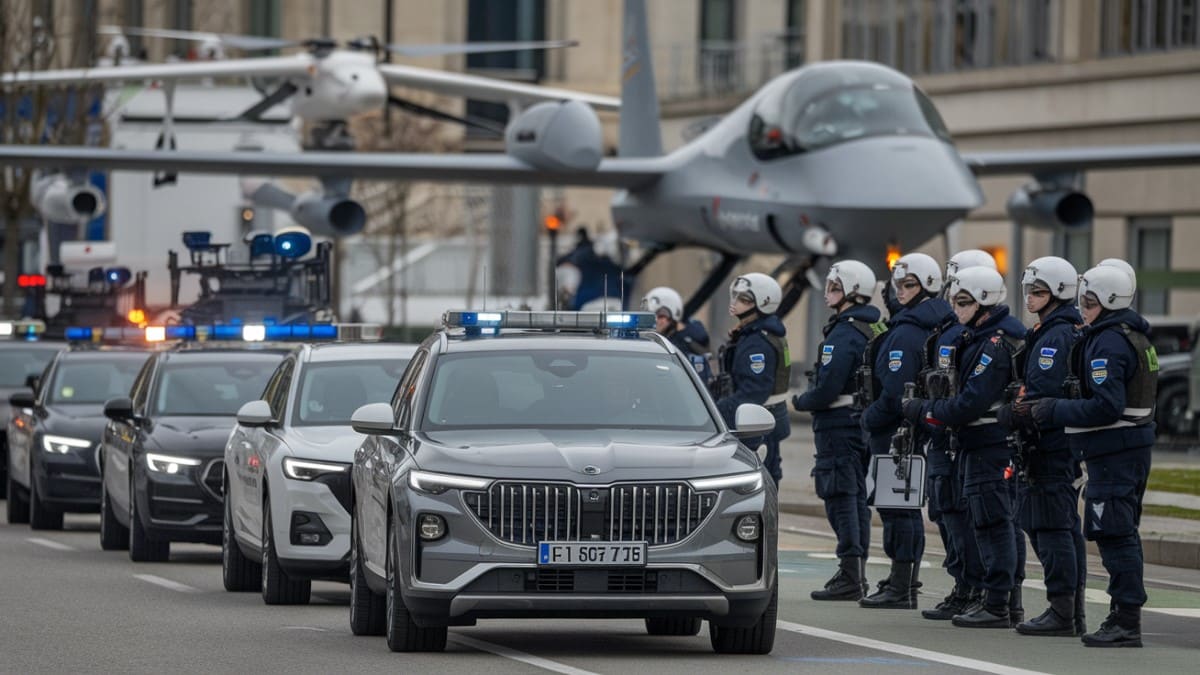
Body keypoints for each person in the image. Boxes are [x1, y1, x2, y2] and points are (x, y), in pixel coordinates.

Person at [1022, 264, 1157, 648]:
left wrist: (1052, 409)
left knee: (1115, 535)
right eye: (1083, 299)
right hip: (1123, 451)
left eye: (1090, 300)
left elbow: (1106, 406)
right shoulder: (1129, 336)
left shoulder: (1109, 342)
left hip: (1115, 453)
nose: (1083, 307)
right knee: (1117, 532)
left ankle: (1126, 620)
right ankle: (1122, 616)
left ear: (1109, 301)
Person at [902, 266, 1025, 628]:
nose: (956, 309)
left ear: (983, 302)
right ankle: (993, 597)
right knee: (985, 521)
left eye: (963, 301)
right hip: (978, 443)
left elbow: (969, 402)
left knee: (993, 522)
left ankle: (999, 602)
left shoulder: (993, 344)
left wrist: (922, 409)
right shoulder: (976, 336)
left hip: (989, 443)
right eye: (955, 300)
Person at [999, 256, 1089, 637]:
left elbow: (1043, 393)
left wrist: (1014, 413)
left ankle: (1062, 611)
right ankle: (1070, 609)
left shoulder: (1056, 335)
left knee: (1050, 526)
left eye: (1038, 291)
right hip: (1054, 443)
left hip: (1049, 445)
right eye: (1029, 291)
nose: (1030, 298)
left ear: (1058, 293)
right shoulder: (1052, 330)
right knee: (1060, 526)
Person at [859, 252, 951, 610]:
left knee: (897, 509)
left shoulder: (909, 332)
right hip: (915, 428)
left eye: (909, 284)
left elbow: (896, 392)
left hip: (898, 431)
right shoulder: (927, 324)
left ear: (927, 286)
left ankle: (901, 584)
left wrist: (869, 417)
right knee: (902, 507)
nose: (900, 292)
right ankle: (903, 581)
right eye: (898, 284)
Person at [793, 260, 881, 601]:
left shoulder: (844, 333)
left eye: (835, 286)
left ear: (852, 291)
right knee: (855, 497)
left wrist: (802, 401)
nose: (828, 291)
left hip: (837, 425)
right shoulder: (871, 327)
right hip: (859, 423)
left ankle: (850, 574)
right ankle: (854, 571)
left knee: (841, 497)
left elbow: (827, 388)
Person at [920, 249, 997, 621]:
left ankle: (974, 586)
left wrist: (931, 412)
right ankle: (964, 585)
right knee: (946, 509)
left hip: (958, 433)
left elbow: (957, 391)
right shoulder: (953, 329)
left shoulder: (968, 335)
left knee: (961, 512)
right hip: (944, 432)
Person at [716, 273, 791, 485]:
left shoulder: (757, 343)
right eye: (735, 296)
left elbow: (754, 392)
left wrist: (718, 410)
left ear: (763, 303)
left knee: (758, 485)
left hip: (757, 427)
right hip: (762, 422)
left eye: (744, 299)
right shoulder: (756, 334)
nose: (735, 302)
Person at [641, 286, 714, 385]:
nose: (656, 320)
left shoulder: (687, 342)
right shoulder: (649, 341)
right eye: (651, 316)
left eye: (661, 316)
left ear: (674, 315)